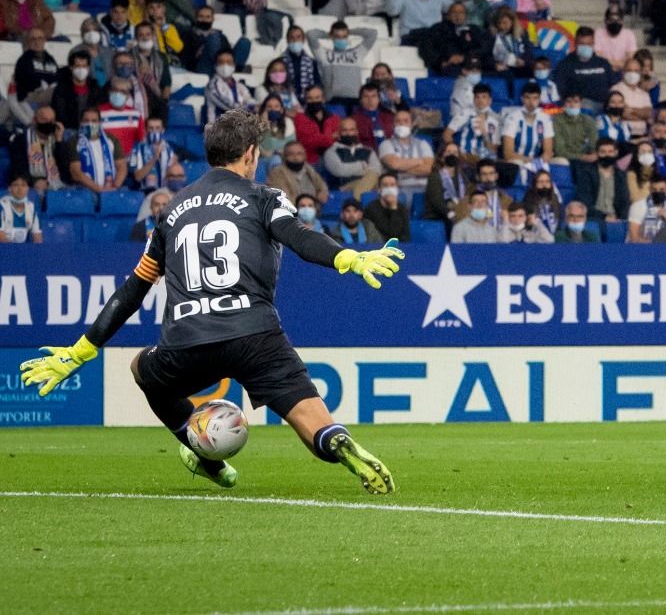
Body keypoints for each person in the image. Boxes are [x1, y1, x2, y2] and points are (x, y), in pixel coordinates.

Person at [19, 109, 400, 493]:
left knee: (143, 370)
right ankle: (334, 439)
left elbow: (134, 288)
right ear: (250, 153)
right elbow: (299, 237)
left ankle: (207, 459)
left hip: (187, 339)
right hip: (255, 334)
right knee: (308, 415)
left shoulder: (171, 210)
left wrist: (81, 351)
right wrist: (349, 258)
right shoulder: (264, 197)